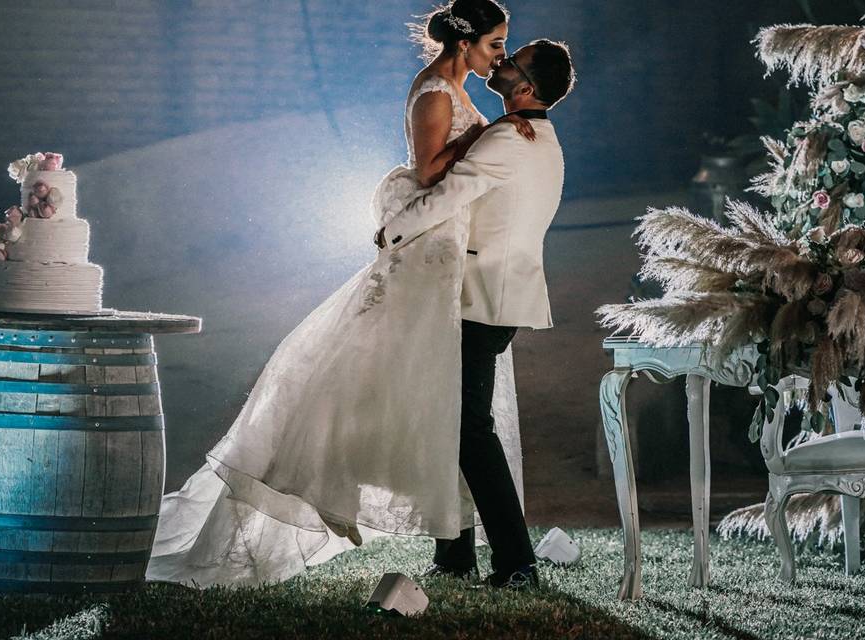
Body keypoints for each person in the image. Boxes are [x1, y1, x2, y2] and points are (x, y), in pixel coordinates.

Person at [146, 0, 536, 589]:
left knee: (442, 405)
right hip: (424, 266)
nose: (500, 56)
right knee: (421, 399)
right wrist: (489, 140)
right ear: (465, 44)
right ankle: (453, 543)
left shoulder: (460, 90)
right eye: (495, 45)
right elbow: (430, 171)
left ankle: (454, 551)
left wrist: (492, 134)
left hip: (448, 262)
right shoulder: (434, 91)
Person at [376, 38, 577, 588]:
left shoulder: (511, 137)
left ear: (527, 88)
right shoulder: (542, 138)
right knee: (454, 421)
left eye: (514, 62)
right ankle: (455, 555)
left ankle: (516, 563)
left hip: (480, 297)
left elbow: (448, 194)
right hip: (498, 297)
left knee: (469, 427)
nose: (504, 62)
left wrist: (391, 232)